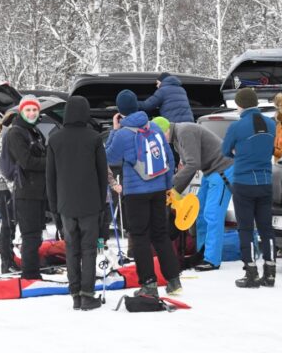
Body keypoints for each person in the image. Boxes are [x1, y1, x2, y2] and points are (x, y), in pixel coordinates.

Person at [105, 89, 183, 296]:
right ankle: (174, 281)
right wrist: (167, 185)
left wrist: (114, 130)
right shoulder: (155, 126)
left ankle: (148, 284)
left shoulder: (122, 133)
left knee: (139, 236)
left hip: (136, 192)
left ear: (120, 111)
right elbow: (169, 157)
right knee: (160, 234)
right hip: (158, 189)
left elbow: (110, 157)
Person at [47, 96, 109, 311]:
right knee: (89, 250)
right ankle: (87, 295)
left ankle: (74, 294)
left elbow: (50, 177)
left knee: (71, 250)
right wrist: (102, 203)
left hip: (65, 204)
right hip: (90, 203)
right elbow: (102, 175)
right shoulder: (94, 138)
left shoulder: (54, 139)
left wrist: (54, 207)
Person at [152, 116, 234, 271]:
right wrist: (174, 191)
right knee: (200, 213)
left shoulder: (184, 132)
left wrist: (173, 186)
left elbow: (193, 164)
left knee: (213, 214)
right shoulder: (176, 139)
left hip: (223, 170)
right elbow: (185, 164)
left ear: (165, 131)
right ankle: (202, 254)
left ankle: (212, 259)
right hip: (210, 172)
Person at [222, 87, 277, 288]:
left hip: (244, 182)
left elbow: (225, 150)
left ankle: (251, 272)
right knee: (266, 228)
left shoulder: (237, 127)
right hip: (265, 181)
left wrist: (239, 152)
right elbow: (272, 148)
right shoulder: (271, 123)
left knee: (245, 228)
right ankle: (270, 272)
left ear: (239, 104)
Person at [4, 95, 47, 280]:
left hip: (37, 191)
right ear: (21, 111)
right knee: (30, 236)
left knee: (36, 235)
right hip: (25, 191)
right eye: (28, 110)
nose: (31, 113)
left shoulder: (33, 131)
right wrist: (52, 162)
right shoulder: (16, 132)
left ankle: (33, 271)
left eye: (35, 110)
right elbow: (26, 161)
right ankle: (30, 275)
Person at [0, 111, 20, 274]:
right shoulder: (4, 140)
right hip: (4, 188)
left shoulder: (5, 137)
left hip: (5, 188)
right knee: (8, 225)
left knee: (10, 225)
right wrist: (13, 188)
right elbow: (4, 168)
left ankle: (9, 259)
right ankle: (6, 262)